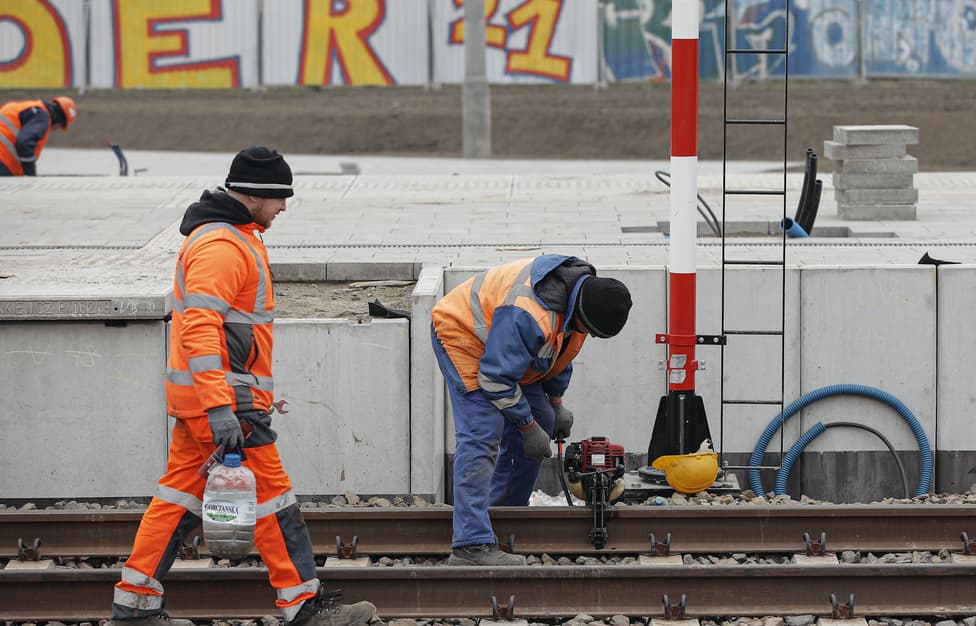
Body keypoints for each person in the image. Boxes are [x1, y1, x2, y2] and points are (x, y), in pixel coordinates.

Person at [111, 147, 378, 626]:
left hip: (211, 400)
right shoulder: (222, 246)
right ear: (254, 195)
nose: (284, 208)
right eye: (279, 198)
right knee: (274, 500)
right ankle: (303, 607)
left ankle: (133, 604)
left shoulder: (233, 236)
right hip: (226, 405)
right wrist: (221, 406)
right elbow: (199, 328)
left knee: (176, 499)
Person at [431, 255, 633, 565]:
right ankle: (470, 544)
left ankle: (506, 513)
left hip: (505, 349)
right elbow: (495, 377)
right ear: (581, 314)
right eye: (590, 330)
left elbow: (558, 354)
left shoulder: (579, 301)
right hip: (465, 336)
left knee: (543, 421)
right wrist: (527, 428)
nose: (590, 336)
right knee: (482, 434)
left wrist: (556, 405)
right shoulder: (530, 314)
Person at [0, 96, 76, 176]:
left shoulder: (27, 107)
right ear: (60, 121)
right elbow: (24, 143)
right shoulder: (42, 117)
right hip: (3, 159)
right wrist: (30, 175)